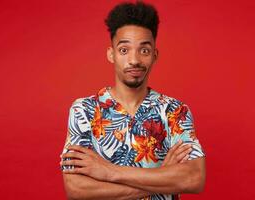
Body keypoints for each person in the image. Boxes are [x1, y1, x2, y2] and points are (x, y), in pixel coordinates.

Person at [60, 1, 206, 200]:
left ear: (155, 55)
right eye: (124, 50)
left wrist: (109, 172)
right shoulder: (84, 110)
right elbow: (76, 189)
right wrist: (163, 176)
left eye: (144, 50)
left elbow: (193, 178)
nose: (134, 60)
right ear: (111, 55)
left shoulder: (175, 111)